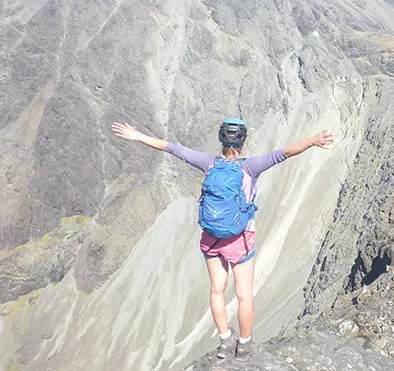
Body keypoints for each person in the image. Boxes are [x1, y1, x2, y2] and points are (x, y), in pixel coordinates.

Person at [111, 118, 333, 358]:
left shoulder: (208, 163)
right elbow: (284, 153)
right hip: (239, 238)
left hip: (211, 237)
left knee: (217, 290)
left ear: (221, 140)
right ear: (243, 141)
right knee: (244, 293)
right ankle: (245, 344)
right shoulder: (250, 166)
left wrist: (138, 136)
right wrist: (312, 141)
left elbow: (173, 148)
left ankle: (225, 341)